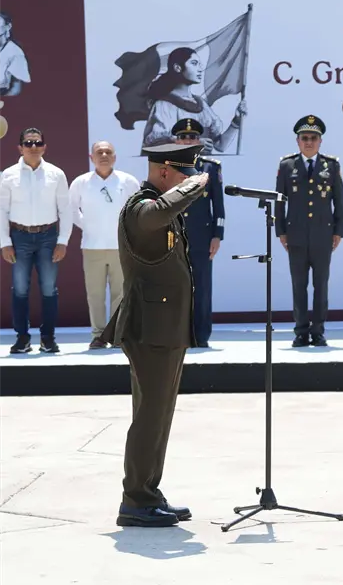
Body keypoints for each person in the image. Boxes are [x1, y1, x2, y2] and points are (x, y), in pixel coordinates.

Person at [99, 142, 208, 527]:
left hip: (166, 329)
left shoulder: (157, 204)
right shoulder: (140, 208)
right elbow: (158, 213)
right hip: (150, 330)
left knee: (159, 415)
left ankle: (148, 492)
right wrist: (196, 184)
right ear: (164, 172)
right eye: (182, 174)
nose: (186, 182)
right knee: (149, 416)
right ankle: (136, 501)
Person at [275, 115, 343, 347]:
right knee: (298, 285)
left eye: (313, 138)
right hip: (295, 235)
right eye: (304, 138)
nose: (309, 142)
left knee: (321, 285)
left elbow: (339, 202)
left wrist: (339, 231)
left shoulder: (331, 165)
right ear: (298, 141)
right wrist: (281, 231)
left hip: (323, 235)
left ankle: (318, 331)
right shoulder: (287, 165)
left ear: (320, 141)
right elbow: (279, 202)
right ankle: (300, 332)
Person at [0, 128, 72, 354]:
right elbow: (2, 210)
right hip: (19, 236)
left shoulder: (56, 173)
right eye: (28, 143)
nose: (33, 147)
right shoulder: (8, 174)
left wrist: (63, 241)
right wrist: (4, 242)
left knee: (49, 289)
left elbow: (66, 209)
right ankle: (22, 338)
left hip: (47, 237)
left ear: (44, 147)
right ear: (20, 147)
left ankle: (48, 338)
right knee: (20, 289)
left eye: (37, 143)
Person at [69, 140, 141, 348]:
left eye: (108, 152)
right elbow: (72, 210)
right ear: (91, 157)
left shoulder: (128, 181)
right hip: (92, 246)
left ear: (115, 157)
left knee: (120, 293)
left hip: (121, 246)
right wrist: (88, 225)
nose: (104, 155)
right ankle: (99, 334)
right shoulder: (81, 182)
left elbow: (136, 210)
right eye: (99, 152)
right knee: (96, 294)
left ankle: (118, 334)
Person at [172, 118, 225, 347]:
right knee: (175, 288)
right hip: (172, 237)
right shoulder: (166, 167)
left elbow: (219, 206)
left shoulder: (210, 167)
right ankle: (178, 334)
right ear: (176, 140)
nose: (187, 140)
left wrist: (217, 235)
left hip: (202, 238)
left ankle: (201, 335)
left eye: (192, 137)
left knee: (201, 287)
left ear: (199, 141)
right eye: (183, 137)